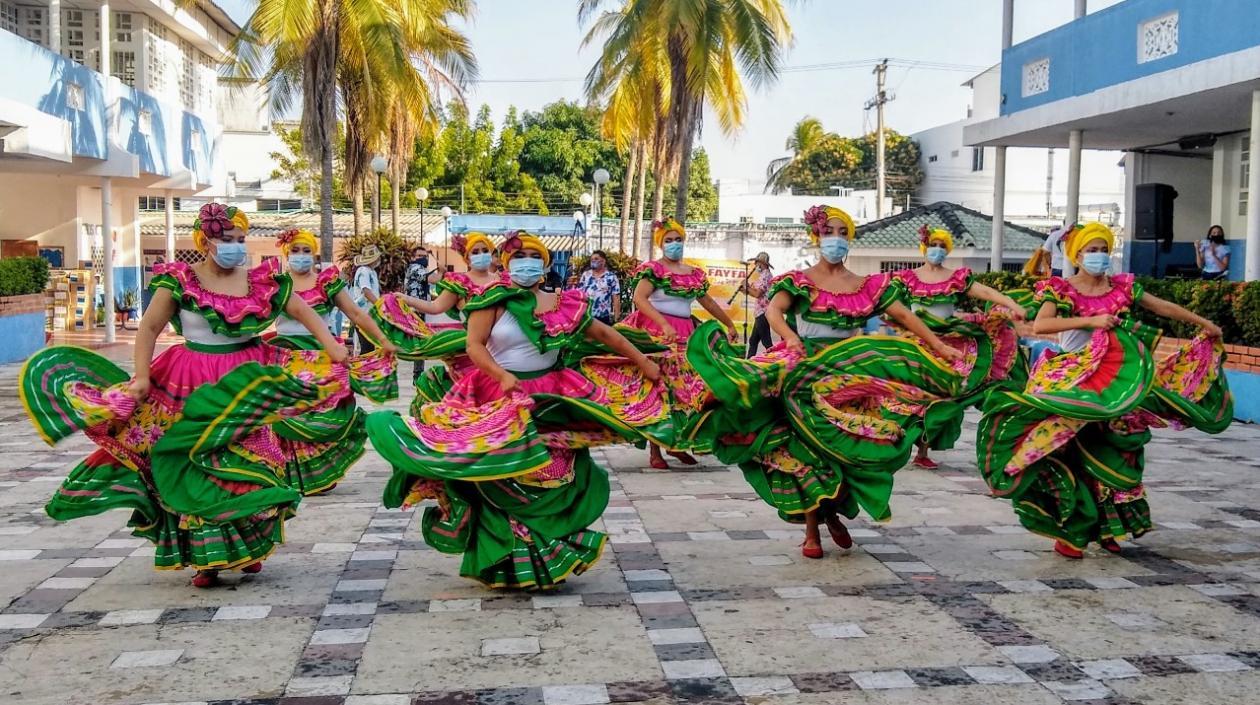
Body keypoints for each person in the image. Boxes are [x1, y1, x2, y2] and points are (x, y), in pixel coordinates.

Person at [21, 203, 350, 589]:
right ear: (206, 241)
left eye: (241, 240)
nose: (236, 247)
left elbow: (304, 311)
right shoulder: (179, 280)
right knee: (194, 467)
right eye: (228, 240)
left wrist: (332, 346)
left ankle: (250, 546)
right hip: (189, 382)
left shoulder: (261, 281)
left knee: (251, 463)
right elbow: (149, 329)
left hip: (246, 383)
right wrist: (142, 376)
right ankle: (206, 561)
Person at [366, 233, 667, 589]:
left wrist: (644, 362)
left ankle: (547, 549)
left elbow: (608, 335)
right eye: (519, 256)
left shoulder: (563, 303)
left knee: (553, 472)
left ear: (544, 263)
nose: (527, 261)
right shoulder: (492, 300)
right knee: (502, 472)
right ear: (507, 264)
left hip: (554, 395)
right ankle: (506, 555)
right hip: (499, 393)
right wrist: (501, 375)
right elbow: (474, 346)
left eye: (533, 255)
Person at [687, 205, 964, 559]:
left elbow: (904, 316)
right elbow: (773, 310)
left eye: (842, 232)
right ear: (817, 237)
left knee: (853, 451)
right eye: (829, 232)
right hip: (806, 372)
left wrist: (939, 346)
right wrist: (788, 335)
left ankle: (832, 513)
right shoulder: (799, 280)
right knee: (807, 452)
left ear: (850, 239)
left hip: (851, 375)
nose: (835, 239)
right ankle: (811, 531)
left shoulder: (866, 285)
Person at [979, 223, 1230, 559]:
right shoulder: (1062, 289)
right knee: (1071, 450)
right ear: (1078, 255)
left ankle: (1111, 528)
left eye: (1103, 249)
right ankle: (1073, 530)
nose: (1099, 256)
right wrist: (1090, 322)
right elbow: (1042, 325)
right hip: (1073, 380)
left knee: (1118, 450)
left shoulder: (1122, 288)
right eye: (1092, 251)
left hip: (1117, 383)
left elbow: (1163, 308)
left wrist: (1203, 324)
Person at [268, 229, 398, 495]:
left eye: (306, 251)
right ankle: (288, 475)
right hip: (284, 356)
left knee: (320, 417)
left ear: (314, 254)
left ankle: (317, 474)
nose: (301, 256)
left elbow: (356, 313)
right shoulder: (274, 285)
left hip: (322, 357)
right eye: (295, 251)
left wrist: (383, 339)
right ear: (286, 253)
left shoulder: (326, 282)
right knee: (284, 419)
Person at [893, 226, 1029, 469]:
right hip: (917, 343)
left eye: (942, 246)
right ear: (924, 247)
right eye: (933, 245)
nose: (937, 250)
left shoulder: (955, 278)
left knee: (946, 396)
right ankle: (893, 443)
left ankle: (923, 451)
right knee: (908, 396)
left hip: (951, 345)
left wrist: (1010, 303)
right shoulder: (907, 279)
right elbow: (891, 305)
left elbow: (985, 291)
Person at [622, 216, 738, 469]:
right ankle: (656, 451)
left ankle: (678, 442)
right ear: (661, 244)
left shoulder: (693, 273)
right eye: (669, 240)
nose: (675, 244)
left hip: (687, 332)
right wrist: (662, 323)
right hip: (657, 331)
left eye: (678, 240)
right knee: (661, 388)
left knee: (689, 388)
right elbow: (640, 299)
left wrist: (728, 324)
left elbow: (707, 302)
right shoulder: (653, 269)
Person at [374, 232, 511, 404]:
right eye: (475, 252)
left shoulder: (505, 281)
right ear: (467, 258)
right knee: (477, 399)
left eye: (485, 250)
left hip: (505, 346)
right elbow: (435, 307)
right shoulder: (460, 282)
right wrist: (407, 299)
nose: (481, 255)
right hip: (472, 350)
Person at [350, 245, 382, 354]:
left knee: (370, 348)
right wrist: (380, 305)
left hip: (370, 314)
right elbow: (367, 291)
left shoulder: (372, 272)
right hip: (363, 314)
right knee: (366, 349)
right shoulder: (364, 271)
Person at [578, 249, 622, 325]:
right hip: (586, 316)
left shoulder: (611, 277)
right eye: (591, 259)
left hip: (603, 317)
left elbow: (616, 297)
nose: (593, 261)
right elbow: (579, 295)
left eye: (596, 259)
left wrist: (616, 318)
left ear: (603, 261)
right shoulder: (586, 275)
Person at [743, 252, 774, 357]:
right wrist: (745, 288)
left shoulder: (766, 275)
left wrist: (747, 288)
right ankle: (748, 362)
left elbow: (757, 293)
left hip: (763, 313)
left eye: (756, 263)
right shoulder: (762, 276)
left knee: (767, 342)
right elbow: (753, 292)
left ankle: (775, 361)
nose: (755, 265)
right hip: (759, 313)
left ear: (761, 263)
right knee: (753, 341)